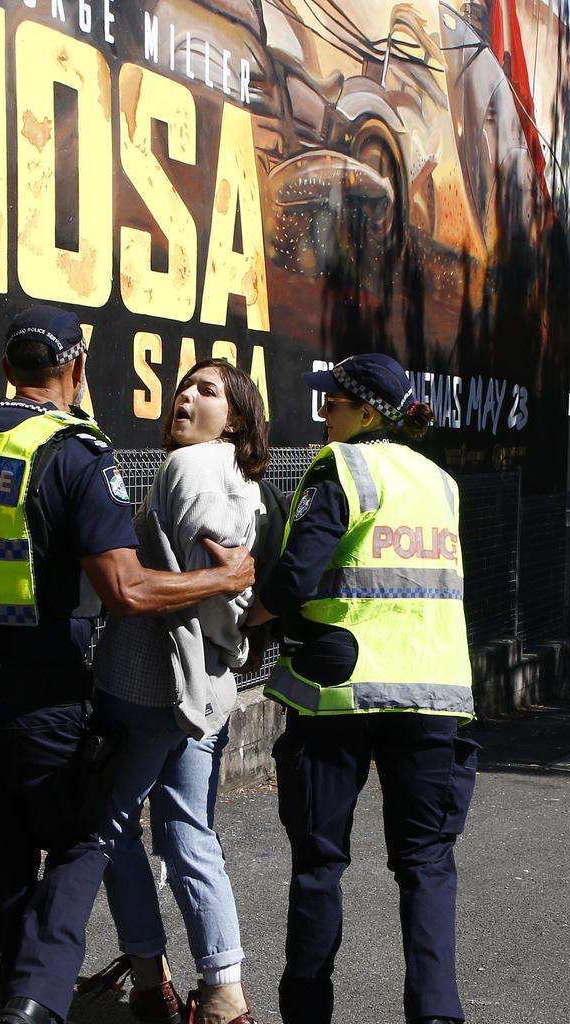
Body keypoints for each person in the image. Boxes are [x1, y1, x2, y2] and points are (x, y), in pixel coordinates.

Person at [0, 308, 255, 1024]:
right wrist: (224, 583)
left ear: (7, 370)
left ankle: (21, 990)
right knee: (84, 836)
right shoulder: (75, 452)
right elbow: (127, 589)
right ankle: (38, 1001)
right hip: (39, 687)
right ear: (76, 367)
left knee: (6, 858)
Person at [247, 353, 479, 1024]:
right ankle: (437, 1016)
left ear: (368, 413)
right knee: (427, 864)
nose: (324, 412)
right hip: (433, 700)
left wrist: (247, 617)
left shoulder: (343, 468)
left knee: (320, 866)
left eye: (335, 403)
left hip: (339, 695)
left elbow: (295, 579)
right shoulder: (441, 483)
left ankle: (308, 1013)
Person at [83, 359, 270, 1024]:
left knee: (107, 823)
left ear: (238, 418)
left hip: (145, 682)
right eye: (184, 387)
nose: (186, 396)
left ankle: (146, 973)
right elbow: (240, 584)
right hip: (206, 692)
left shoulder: (189, 467)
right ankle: (225, 994)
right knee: (188, 830)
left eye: (208, 391)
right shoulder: (247, 481)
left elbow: (208, 576)